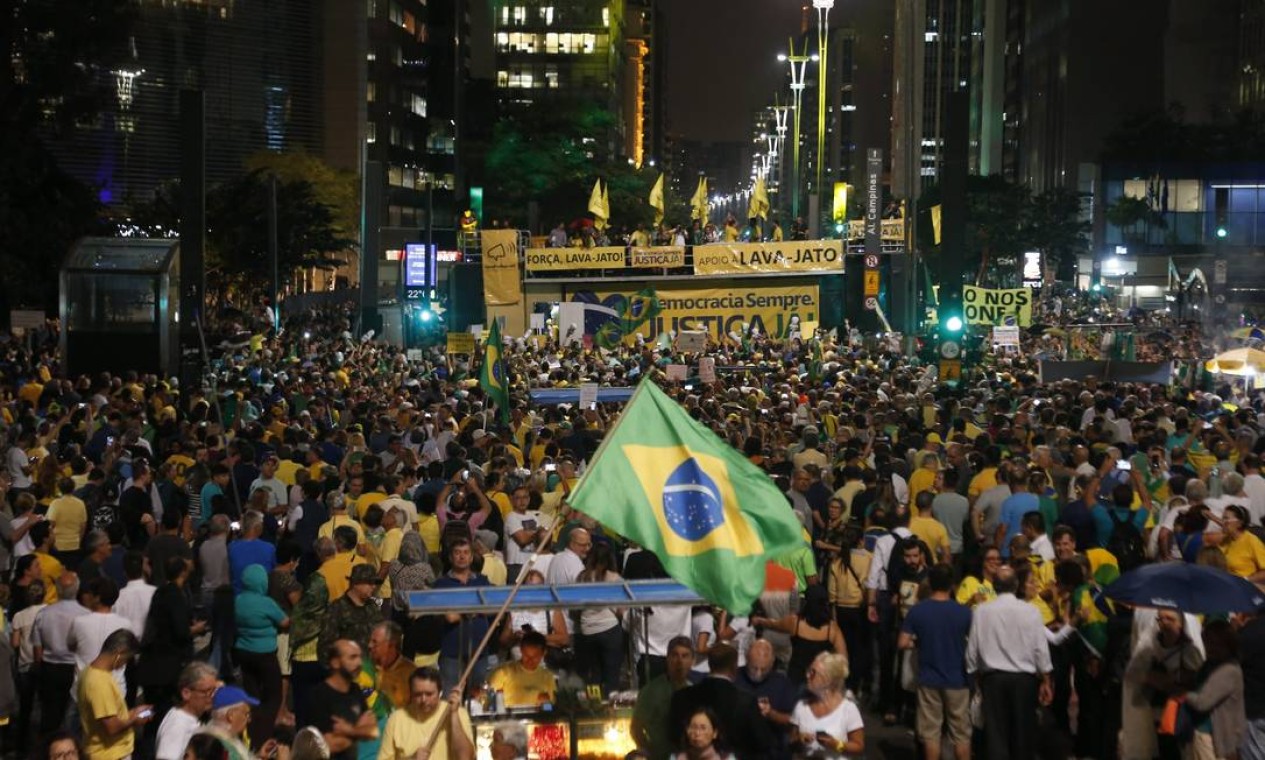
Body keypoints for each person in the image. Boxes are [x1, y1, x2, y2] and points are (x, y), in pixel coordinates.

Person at [965, 565, 1054, 760]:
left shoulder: (981, 611)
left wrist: (974, 676)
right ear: (1016, 585)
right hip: (1024, 681)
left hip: (993, 680)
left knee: (996, 736)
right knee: (1023, 736)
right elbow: (1040, 648)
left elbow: (973, 649)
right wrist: (1046, 679)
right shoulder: (1031, 611)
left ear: (995, 587)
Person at [898, 563, 972, 760]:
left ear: (930, 583)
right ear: (953, 585)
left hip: (929, 678)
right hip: (958, 679)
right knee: (961, 735)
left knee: (931, 735)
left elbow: (902, 642)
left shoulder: (918, 611)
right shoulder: (964, 612)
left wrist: (918, 641)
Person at [668, 643, 773, 760]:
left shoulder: (681, 696)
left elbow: (673, 737)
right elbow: (762, 743)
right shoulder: (746, 701)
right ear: (734, 667)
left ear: (709, 664)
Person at [234, 562, 289, 747]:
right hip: (265, 654)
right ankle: (263, 737)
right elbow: (284, 622)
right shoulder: (266, 603)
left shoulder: (239, 600)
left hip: (243, 652)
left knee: (252, 695)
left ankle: (250, 731)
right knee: (274, 696)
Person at [78, 629, 153, 760]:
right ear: (120, 654)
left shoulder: (90, 672)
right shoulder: (99, 682)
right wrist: (135, 719)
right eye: (127, 659)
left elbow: (109, 715)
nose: (125, 664)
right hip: (110, 754)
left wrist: (132, 713)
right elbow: (112, 727)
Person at [752, 583, 846, 687]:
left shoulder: (795, 623)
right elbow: (843, 659)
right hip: (820, 680)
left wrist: (760, 620)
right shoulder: (832, 629)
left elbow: (774, 624)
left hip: (795, 679)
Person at [377, 666, 475, 760]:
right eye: (418, 694)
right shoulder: (396, 719)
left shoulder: (458, 713)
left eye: (429, 694)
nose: (424, 700)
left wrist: (453, 714)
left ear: (440, 692)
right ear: (410, 693)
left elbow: (465, 758)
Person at [1181, 620, 1246, 760]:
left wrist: (1182, 694)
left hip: (1214, 736)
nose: (1211, 648)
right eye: (1208, 642)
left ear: (1229, 645)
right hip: (1203, 732)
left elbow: (1202, 702)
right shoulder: (1210, 664)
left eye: (1217, 644)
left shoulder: (1228, 669)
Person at [432, 538, 491, 692]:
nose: (462, 556)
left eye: (466, 553)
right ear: (451, 557)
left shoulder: (482, 581)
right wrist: (474, 608)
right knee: (450, 699)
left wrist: (461, 611)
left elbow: (490, 609)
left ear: (472, 557)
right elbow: (450, 617)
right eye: (457, 553)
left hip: (479, 651)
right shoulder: (441, 584)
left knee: (478, 700)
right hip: (451, 653)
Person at [309, 640, 380, 760]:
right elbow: (327, 746)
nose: (359, 663)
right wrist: (359, 730)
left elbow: (373, 731)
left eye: (359, 657)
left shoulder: (356, 690)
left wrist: (349, 730)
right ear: (336, 663)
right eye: (352, 657)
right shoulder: (319, 695)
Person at [788, 651, 865, 758]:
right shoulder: (801, 707)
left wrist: (837, 745)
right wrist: (800, 740)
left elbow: (858, 748)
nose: (807, 675)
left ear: (827, 679)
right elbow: (791, 743)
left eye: (813, 672)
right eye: (808, 670)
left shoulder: (848, 709)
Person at [632, 635, 695, 760]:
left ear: (692, 661)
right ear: (668, 658)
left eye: (685, 656)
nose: (679, 661)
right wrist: (649, 751)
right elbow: (636, 728)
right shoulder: (651, 691)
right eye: (675, 655)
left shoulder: (694, 691)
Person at [735, 638, 798, 760]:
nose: (758, 673)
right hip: (739, 747)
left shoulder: (782, 683)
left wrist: (771, 714)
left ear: (772, 663)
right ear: (747, 658)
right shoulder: (734, 676)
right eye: (754, 668)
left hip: (771, 750)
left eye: (763, 669)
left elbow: (793, 721)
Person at [155, 661, 220, 760]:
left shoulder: (191, 718)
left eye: (214, 691)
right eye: (207, 692)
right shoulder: (177, 725)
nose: (213, 696)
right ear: (186, 693)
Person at [319, 564, 386, 657]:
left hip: (371, 668)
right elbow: (325, 647)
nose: (374, 586)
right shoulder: (337, 609)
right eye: (369, 583)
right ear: (356, 583)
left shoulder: (372, 606)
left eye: (374, 583)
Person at [368, 621, 415, 711]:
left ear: (390, 645)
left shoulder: (410, 674)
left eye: (375, 642)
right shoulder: (363, 668)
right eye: (370, 641)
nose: (369, 645)